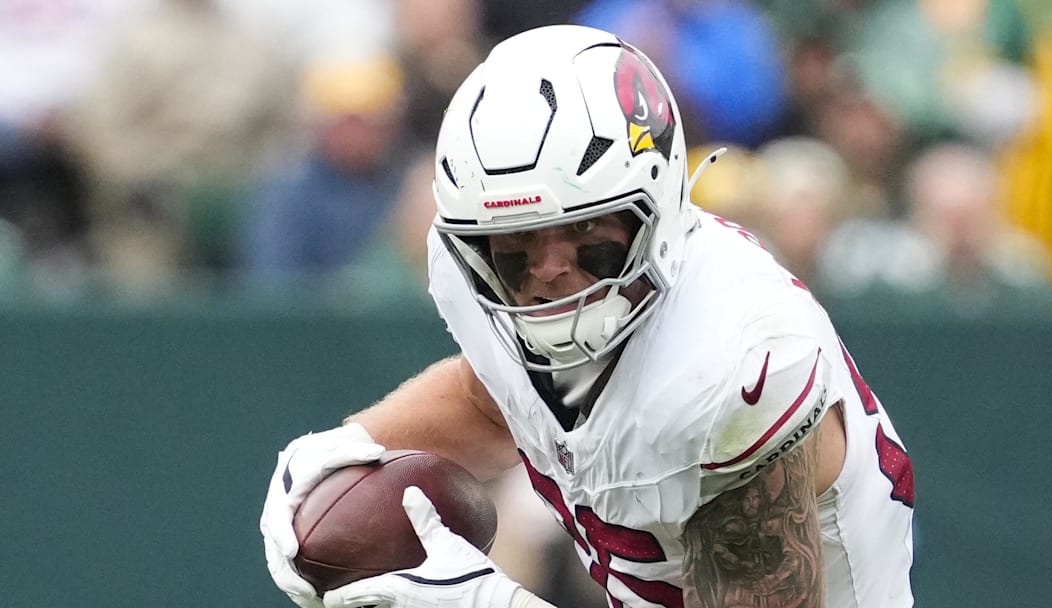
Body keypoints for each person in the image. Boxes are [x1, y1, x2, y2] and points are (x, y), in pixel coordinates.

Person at [260, 25, 915, 608]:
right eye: (516, 243)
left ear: (654, 209)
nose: (548, 271)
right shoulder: (481, 267)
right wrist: (348, 447)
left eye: (585, 234)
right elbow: (498, 395)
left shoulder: (733, 368)